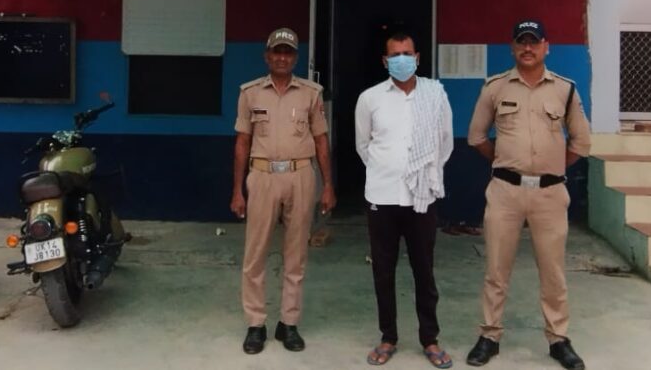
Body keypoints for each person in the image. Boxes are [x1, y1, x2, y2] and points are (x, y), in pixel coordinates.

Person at [464, 20, 591, 370]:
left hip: (550, 194)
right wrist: (507, 163)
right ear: (513, 47)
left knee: (553, 271)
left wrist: (552, 167)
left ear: (546, 46)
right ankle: (489, 336)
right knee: (496, 268)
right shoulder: (495, 87)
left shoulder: (565, 90)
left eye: (534, 42)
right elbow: (476, 136)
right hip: (505, 192)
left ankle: (558, 339)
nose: (528, 48)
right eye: (522, 42)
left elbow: (581, 142)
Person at [231, 27, 336, 354]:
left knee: (296, 253)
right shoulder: (250, 93)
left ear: (295, 57)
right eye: (276, 51)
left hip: (300, 175)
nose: (281, 57)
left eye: (287, 52)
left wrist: (328, 185)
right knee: (255, 253)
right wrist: (237, 190)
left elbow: (321, 140)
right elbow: (242, 142)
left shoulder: (310, 93)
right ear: (267, 56)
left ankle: (288, 323)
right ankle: (255, 323)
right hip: (262, 176)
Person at [355, 32, 455, 368]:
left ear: (418, 58)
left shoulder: (435, 95)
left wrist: (422, 175)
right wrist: (389, 169)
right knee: (383, 271)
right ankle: (388, 337)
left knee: (424, 270)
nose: (402, 59)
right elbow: (363, 146)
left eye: (407, 53)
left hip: (421, 198)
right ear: (385, 61)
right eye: (395, 54)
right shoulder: (370, 98)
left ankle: (430, 338)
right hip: (382, 197)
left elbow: (444, 143)